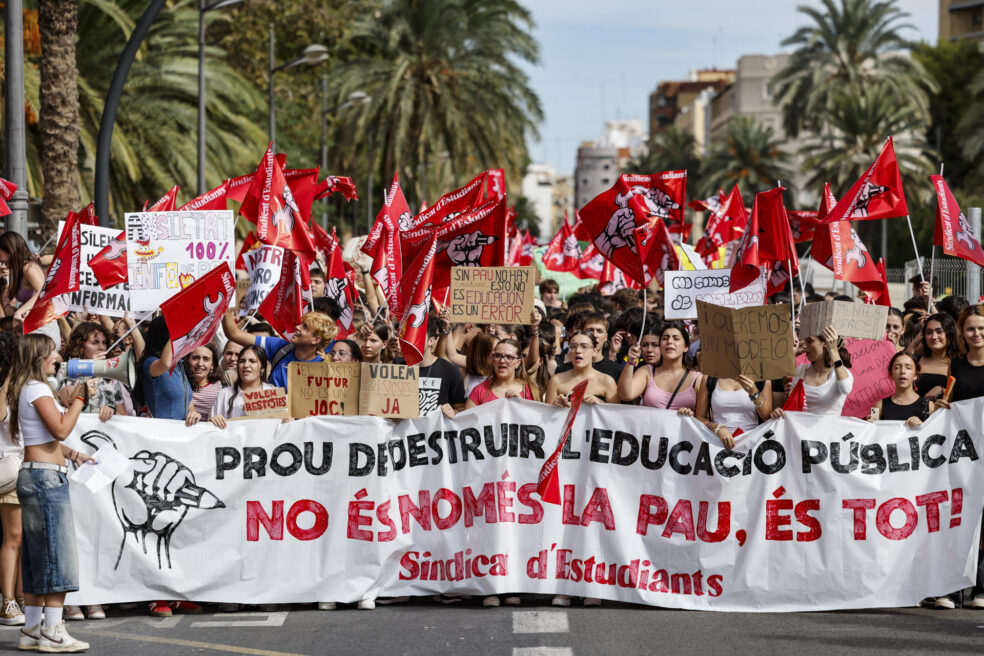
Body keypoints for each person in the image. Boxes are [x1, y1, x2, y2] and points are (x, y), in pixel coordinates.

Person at [8, 334, 94, 652]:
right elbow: (59, 428)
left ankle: (32, 628)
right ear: (40, 358)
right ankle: (54, 631)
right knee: (57, 556)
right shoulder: (37, 388)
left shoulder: (27, 388)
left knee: (36, 558)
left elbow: (47, 438)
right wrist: (79, 401)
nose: (57, 358)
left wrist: (73, 455)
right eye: (52, 354)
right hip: (45, 480)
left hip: (36, 476)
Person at [223, 310, 336, 390]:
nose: (297, 327)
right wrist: (225, 305)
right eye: (301, 324)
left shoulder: (325, 370)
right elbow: (234, 334)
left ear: (316, 340)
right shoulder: (280, 347)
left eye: (305, 327)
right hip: (272, 419)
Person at [619, 322, 702, 413]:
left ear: (686, 347)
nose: (669, 341)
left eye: (676, 338)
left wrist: (691, 415)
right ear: (661, 346)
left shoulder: (697, 379)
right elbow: (625, 395)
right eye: (665, 338)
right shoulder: (646, 372)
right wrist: (630, 362)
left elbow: (703, 417)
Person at [772, 326, 852, 418]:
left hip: (830, 431)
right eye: (805, 342)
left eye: (810, 341)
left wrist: (833, 351)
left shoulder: (841, 373)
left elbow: (845, 388)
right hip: (802, 431)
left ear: (825, 343)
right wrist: (779, 412)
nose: (805, 346)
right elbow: (792, 408)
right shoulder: (801, 371)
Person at [0, 333, 24, 626]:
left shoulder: (31, 388)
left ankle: (19, 598)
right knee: (13, 538)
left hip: (28, 469)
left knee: (25, 540)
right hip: (9, 468)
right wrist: (6, 381)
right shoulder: (5, 389)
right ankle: (7, 601)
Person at [0, 233, 58, 348]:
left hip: (42, 327)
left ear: (10, 250)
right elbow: (7, 296)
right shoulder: (19, 270)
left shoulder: (29, 268)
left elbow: (43, 292)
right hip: (31, 327)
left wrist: (19, 312)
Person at [695, 375, 772, 449]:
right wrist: (716, 427)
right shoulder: (709, 378)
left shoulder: (762, 379)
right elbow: (699, 417)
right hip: (718, 445)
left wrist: (754, 393)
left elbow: (767, 418)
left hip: (751, 444)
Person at [409, 319, 465, 418]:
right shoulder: (399, 368)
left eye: (417, 336)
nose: (412, 340)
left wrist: (453, 412)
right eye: (409, 336)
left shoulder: (450, 371)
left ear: (431, 341)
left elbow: (462, 409)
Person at [545, 331, 617, 408]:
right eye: (573, 346)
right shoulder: (556, 380)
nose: (578, 351)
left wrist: (600, 403)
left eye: (584, 346)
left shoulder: (607, 381)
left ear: (595, 351)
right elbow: (546, 415)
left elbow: (615, 415)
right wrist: (554, 405)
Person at [209, 346, 274, 428]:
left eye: (252, 361)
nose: (246, 365)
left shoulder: (273, 393)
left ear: (262, 368)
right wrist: (213, 420)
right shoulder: (224, 394)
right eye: (242, 361)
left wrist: (287, 422)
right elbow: (211, 431)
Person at [464, 339, 539, 409]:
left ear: (518, 363)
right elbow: (467, 421)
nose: (502, 360)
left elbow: (537, 421)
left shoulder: (530, 391)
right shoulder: (478, 391)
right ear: (493, 360)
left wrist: (521, 404)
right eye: (498, 356)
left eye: (509, 357)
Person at [869, 352, 934, 426]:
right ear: (891, 374)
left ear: (915, 375)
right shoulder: (879, 405)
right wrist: (869, 424)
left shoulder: (929, 406)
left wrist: (922, 427)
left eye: (908, 368)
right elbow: (873, 433)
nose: (902, 371)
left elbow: (936, 434)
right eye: (897, 367)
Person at [915, 313, 957, 401]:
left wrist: (942, 390)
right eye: (929, 332)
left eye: (939, 331)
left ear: (949, 333)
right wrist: (914, 342)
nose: (934, 337)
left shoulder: (958, 364)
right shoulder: (916, 360)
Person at [186, 344, 222, 420]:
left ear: (212, 365)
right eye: (195, 358)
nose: (200, 363)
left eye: (206, 359)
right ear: (188, 360)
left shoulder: (219, 387)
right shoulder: (180, 383)